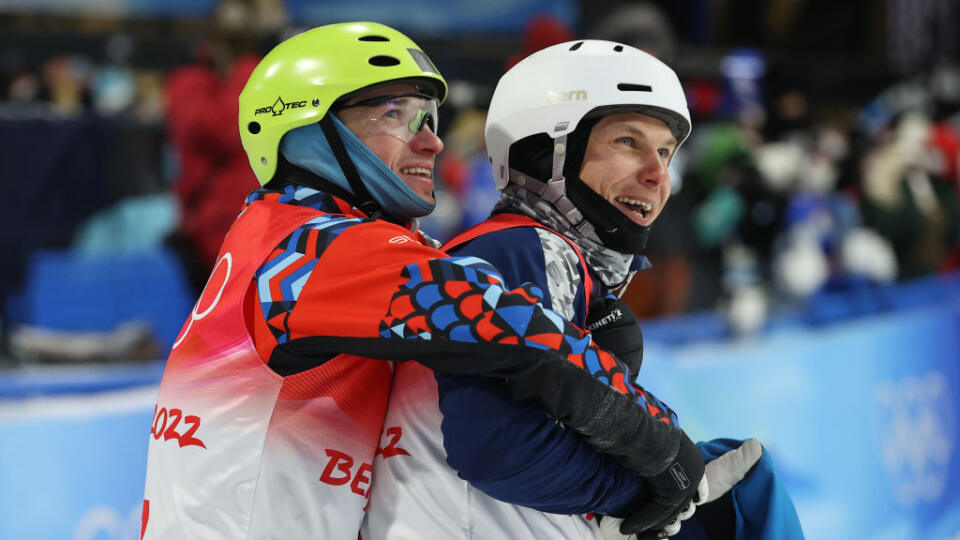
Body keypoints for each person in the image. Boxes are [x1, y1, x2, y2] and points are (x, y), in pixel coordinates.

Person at [141, 23, 706, 539]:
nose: (432, 142)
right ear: (305, 130)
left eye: (429, 118)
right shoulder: (311, 247)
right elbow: (506, 327)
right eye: (393, 114)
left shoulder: (279, 234)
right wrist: (658, 443)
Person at [363, 40, 803, 540]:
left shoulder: (539, 254)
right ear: (548, 154)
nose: (659, 175)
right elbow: (498, 449)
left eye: (664, 151)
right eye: (627, 143)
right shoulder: (525, 247)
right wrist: (646, 490)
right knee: (744, 496)